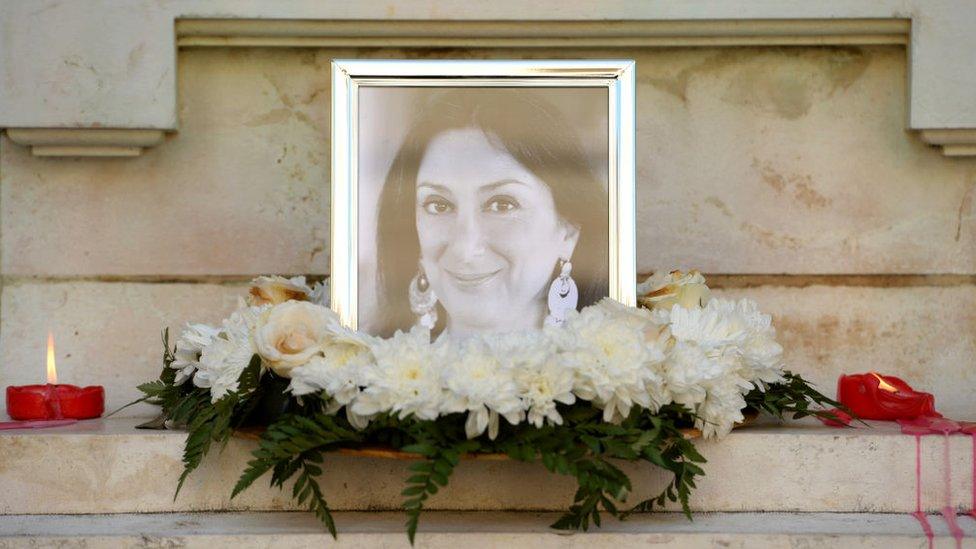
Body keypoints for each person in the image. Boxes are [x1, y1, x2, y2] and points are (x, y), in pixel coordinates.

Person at [374, 88, 608, 337]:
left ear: (568, 230)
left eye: (502, 205)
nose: (465, 248)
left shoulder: (625, 366)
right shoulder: (363, 367)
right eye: (438, 205)